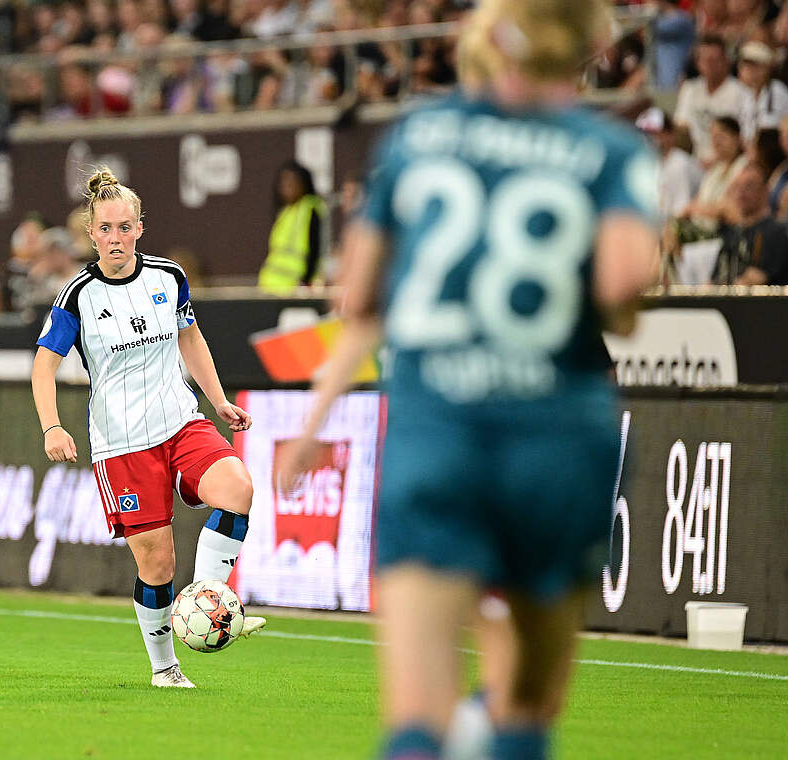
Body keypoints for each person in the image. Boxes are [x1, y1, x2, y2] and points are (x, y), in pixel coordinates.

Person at [275, 0, 659, 757]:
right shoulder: (613, 153)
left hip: (439, 431)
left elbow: (358, 297)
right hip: (559, 435)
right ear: (596, 45)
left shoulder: (419, 137)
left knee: (417, 716)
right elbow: (623, 285)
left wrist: (313, 424)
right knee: (527, 705)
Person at [31, 168, 267, 689]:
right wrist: (52, 426)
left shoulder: (169, 276)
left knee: (238, 488)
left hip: (180, 421)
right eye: (106, 229)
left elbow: (191, 339)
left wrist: (220, 401)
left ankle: (207, 599)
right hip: (122, 445)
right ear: (91, 234)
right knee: (158, 564)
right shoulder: (78, 296)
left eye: (125, 226)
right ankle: (165, 667)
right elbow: (43, 365)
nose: (116, 238)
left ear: (141, 227)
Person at [675, 34, 754, 164]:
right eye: (705, 60)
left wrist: (717, 160)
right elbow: (681, 127)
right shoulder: (689, 89)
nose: (710, 65)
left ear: (726, 61)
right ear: (697, 63)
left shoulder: (742, 93)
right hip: (695, 160)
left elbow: (746, 137)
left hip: (728, 162)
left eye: (715, 60)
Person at [714, 164, 788, 285]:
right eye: (737, 187)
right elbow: (715, 278)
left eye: (749, 186)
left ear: (765, 190)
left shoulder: (775, 232)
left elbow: (756, 280)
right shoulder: (732, 233)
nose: (741, 192)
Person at [258, 160, 329, 294]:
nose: (286, 187)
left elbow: (316, 248)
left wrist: (305, 281)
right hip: (270, 286)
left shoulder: (311, 208)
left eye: (291, 182)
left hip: (295, 288)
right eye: (283, 182)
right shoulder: (285, 212)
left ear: (303, 183)